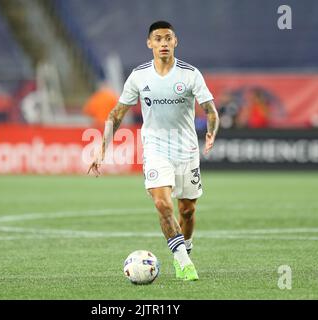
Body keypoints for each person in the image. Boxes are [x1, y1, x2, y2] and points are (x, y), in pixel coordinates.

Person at [88, 21, 219, 281]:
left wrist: (211, 130)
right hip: (156, 148)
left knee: (187, 210)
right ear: (150, 43)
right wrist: (102, 147)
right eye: (158, 39)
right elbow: (117, 113)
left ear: (175, 42)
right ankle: (183, 262)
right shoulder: (139, 76)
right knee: (162, 204)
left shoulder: (190, 74)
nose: (163, 43)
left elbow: (211, 110)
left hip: (187, 150)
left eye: (168, 39)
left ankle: (186, 248)